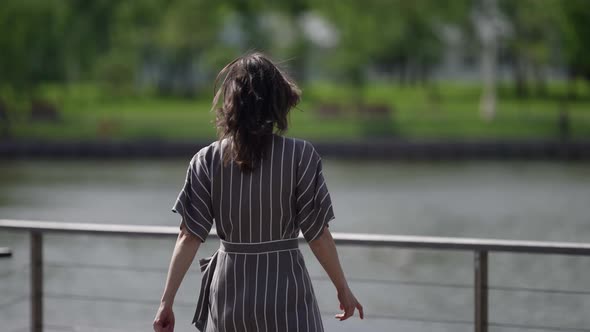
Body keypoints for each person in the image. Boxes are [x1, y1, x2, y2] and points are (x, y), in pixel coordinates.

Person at [153, 52, 363, 332]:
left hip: (230, 296)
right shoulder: (301, 156)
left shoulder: (206, 160)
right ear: (278, 101)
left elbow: (189, 236)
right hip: (286, 292)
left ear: (231, 103)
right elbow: (318, 233)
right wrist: (342, 289)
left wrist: (166, 302)